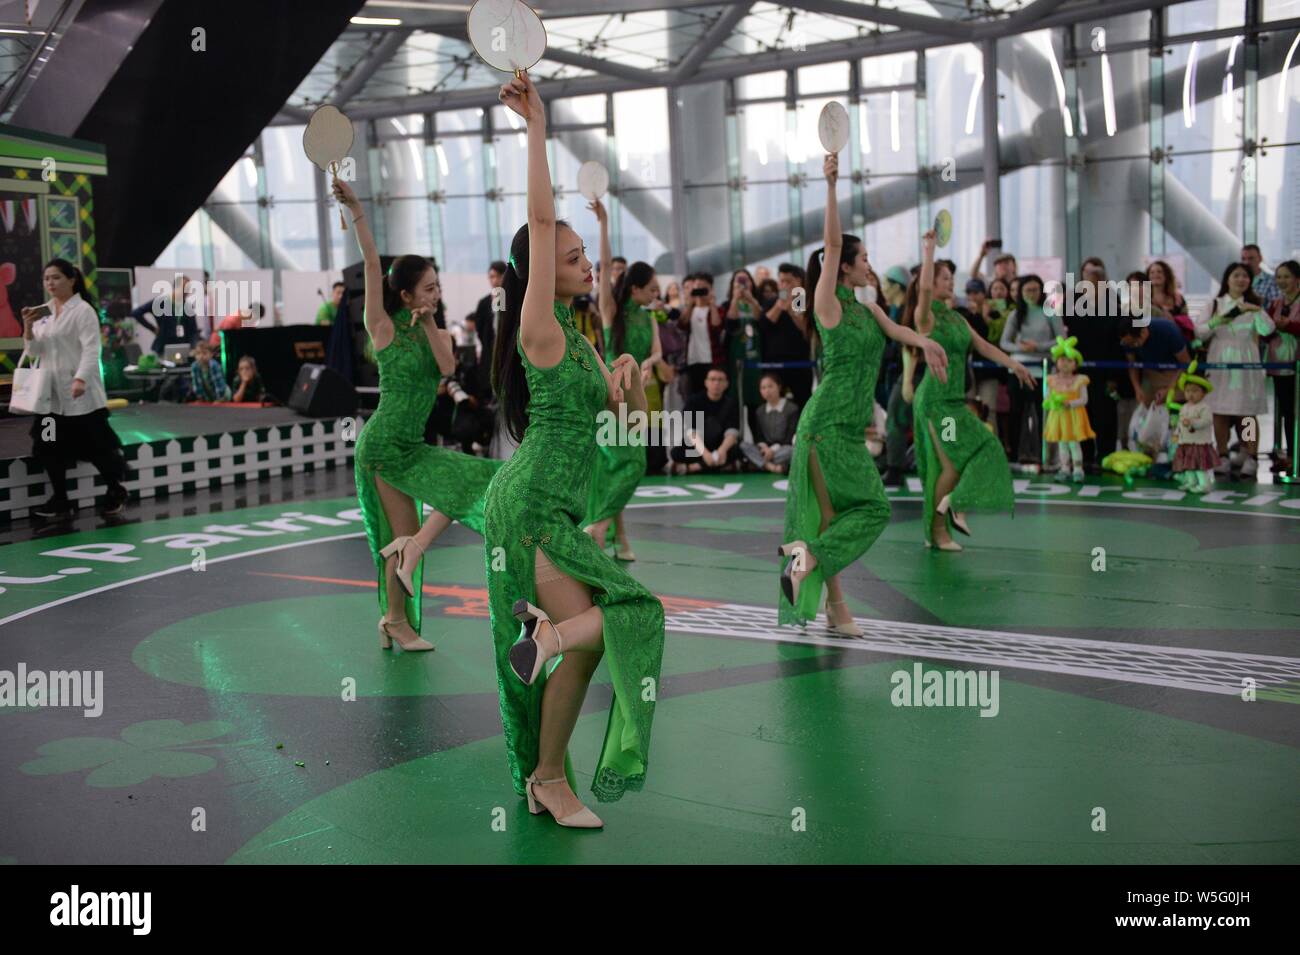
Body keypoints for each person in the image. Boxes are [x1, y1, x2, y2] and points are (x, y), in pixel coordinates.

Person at [485, 70, 664, 828]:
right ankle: (549, 775)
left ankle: (546, 769)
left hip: (556, 509)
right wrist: (536, 128)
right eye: (569, 255)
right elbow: (537, 210)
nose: (585, 261)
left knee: (619, 621)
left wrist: (623, 380)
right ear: (536, 276)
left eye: (586, 251)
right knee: (623, 619)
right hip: (527, 511)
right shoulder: (543, 330)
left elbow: (620, 424)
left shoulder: (586, 344)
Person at [779, 152, 950, 632]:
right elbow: (831, 245)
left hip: (849, 429)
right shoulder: (828, 306)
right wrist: (832, 185)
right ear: (845, 268)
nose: (869, 266)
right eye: (865, 259)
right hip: (825, 427)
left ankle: (834, 607)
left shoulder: (868, 310)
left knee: (834, 517)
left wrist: (928, 342)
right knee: (874, 508)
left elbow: (900, 333)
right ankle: (809, 563)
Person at [332, 176, 503, 653]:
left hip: (413, 446)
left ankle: (396, 610)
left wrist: (430, 320)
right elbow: (370, 262)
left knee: (466, 482)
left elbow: (449, 369)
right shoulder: (382, 328)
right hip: (384, 446)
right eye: (427, 288)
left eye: (438, 285)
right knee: (400, 535)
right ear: (404, 294)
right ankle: (395, 620)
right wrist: (358, 208)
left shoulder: (438, 332)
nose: (435, 292)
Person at [913, 231, 1034, 551]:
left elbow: (982, 346)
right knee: (950, 466)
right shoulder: (924, 318)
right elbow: (923, 288)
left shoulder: (956, 318)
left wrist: (1015, 365)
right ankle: (938, 531)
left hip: (955, 400)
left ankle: (954, 506)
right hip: (935, 401)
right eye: (945, 278)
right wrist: (929, 251)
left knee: (987, 448)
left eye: (952, 278)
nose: (950, 282)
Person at [584, 202, 662, 561]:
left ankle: (621, 538)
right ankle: (599, 527)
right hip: (611, 396)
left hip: (638, 396)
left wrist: (646, 363)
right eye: (651, 290)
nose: (655, 295)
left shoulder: (650, 320)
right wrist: (603, 223)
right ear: (635, 289)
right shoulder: (612, 313)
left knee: (613, 467)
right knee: (630, 463)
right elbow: (603, 270)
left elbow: (657, 354)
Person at [22, 258, 130, 519]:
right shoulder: (44, 312)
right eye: (47, 278)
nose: (51, 283)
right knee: (48, 446)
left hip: (82, 399)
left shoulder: (83, 311)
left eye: (56, 277)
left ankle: (115, 490)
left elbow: (93, 349)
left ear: (72, 279)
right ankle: (60, 500)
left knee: (96, 447)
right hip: (51, 399)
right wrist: (27, 327)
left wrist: (81, 378)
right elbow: (34, 351)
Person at [1195, 262, 1273, 479]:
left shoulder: (1254, 305)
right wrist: (1220, 319)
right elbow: (1199, 332)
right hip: (1219, 363)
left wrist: (1257, 311)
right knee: (1219, 411)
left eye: (1245, 276)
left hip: (1246, 364)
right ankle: (1222, 454)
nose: (1241, 280)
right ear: (1227, 279)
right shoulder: (1214, 304)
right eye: (1236, 275)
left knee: (1246, 413)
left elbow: (1268, 329)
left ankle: (1250, 455)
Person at [1065, 258, 1124, 470]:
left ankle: (1106, 456)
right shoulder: (1073, 300)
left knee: (1106, 413)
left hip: (1107, 368)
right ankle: (1085, 457)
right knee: (1082, 412)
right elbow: (1066, 331)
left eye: (1095, 273)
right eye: (1086, 272)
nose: (1090, 276)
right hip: (1079, 368)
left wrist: (1115, 376)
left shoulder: (1112, 299)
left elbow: (1118, 340)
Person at [1000, 273, 1063, 463]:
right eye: (1027, 290)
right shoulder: (1015, 314)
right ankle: (1014, 456)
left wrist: (1039, 346)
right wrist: (1021, 347)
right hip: (1018, 368)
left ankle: (1043, 455)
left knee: (1041, 413)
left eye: (1035, 290)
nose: (1032, 293)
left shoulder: (1051, 311)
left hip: (1043, 369)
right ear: (1021, 292)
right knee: (1016, 413)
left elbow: (1061, 340)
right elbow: (1004, 342)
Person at [760, 262, 812, 408]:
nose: (784, 285)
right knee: (775, 402)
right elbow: (764, 326)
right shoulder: (772, 301)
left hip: (799, 362)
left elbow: (806, 329)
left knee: (803, 402)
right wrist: (779, 305)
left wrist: (791, 310)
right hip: (774, 362)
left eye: (788, 281)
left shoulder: (801, 299)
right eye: (781, 281)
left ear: (799, 281)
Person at [1043, 336, 1094, 482]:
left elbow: (1084, 400)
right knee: (1062, 443)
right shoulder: (1052, 380)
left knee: (1073, 443)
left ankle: (1078, 469)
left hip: (1073, 417)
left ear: (1075, 365)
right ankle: (1064, 468)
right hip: (1058, 417)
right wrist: (1050, 402)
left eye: (1069, 361)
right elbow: (1047, 397)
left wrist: (1069, 404)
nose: (1065, 364)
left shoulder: (1080, 380)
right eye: (1062, 360)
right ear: (1056, 361)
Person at [1265, 260, 1300, 471]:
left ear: (1297, 279)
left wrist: (1290, 326)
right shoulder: (1275, 304)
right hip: (1279, 365)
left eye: (1286, 276)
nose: (1282, 281)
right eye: (1279, 276)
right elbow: (1265, 331)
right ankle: (1288, 454)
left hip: (1298, 364)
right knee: (1287, 411)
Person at [672, 366, 740, 472]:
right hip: (699, 447)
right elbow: (691, 433)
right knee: (676, 453)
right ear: (706, 382)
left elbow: (732, 432)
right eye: (712, 379)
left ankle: (696, 467)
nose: (716, 383)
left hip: (719, 446)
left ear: (726, 384)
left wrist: (721, 451)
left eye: (720, 380)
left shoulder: (731, 403)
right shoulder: (694, 402)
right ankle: (718, 466)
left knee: (738, 450)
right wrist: (706, 454)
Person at [1170, 362, 1219, 493]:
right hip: (1185, 442)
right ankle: (1191, 481)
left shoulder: (1205, 407)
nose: (1191, 394)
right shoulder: (1184, 407)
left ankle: (1204, 484)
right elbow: (1180, 423)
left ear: (1203, 393)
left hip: (1199, 442)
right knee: (1188, 465)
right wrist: (1176, 433)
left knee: (1199, 466)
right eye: (1188, 391)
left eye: (1195, 391)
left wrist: (1192, 422)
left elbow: (1207, 421)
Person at [741, 372, 799, 473]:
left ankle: (759, 463)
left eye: (770, 386)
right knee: (743, 445)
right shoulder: (760, 411)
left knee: (795, 451)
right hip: (765, 450)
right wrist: (764, 448)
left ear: (779, 387)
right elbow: (759, 436)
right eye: (763, 388)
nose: (767, 391)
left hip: (783, 448)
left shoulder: (791, 409)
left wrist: (772, 450)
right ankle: (772, 467)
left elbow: (790, 437)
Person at [132, 275, 200, 356]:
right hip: (163, 347)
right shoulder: (161, 302)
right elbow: (136, 313)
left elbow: (193, 330)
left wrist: (194, 347)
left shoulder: (188, 307)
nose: (186, 292)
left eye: (188, 289)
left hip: (183, 347)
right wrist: (153, 329)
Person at [681, 272, 725, 396]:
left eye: (703, 288)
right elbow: (682, 325)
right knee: (694, 397)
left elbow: (717, 327)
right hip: (693, 361)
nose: (699, 291)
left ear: (710, 289)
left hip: (713, 361)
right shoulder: (689, 310)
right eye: (696, 287)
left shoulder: (718, 309)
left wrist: (712, 304)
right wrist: (690, 302)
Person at [473, 260, 507, 365]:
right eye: (492, 277)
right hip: (489, 352)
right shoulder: (484, 302)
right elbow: (479, 328)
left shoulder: (513, 300)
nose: (495, 280)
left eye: (499, 276)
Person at [1241, 243, 1281, 310]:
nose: (1246, 262)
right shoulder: (1237, 281)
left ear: (1260, 258)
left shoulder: (1272, 281)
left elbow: (1275, 307)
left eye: (1251, 258)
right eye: (1243, 259)